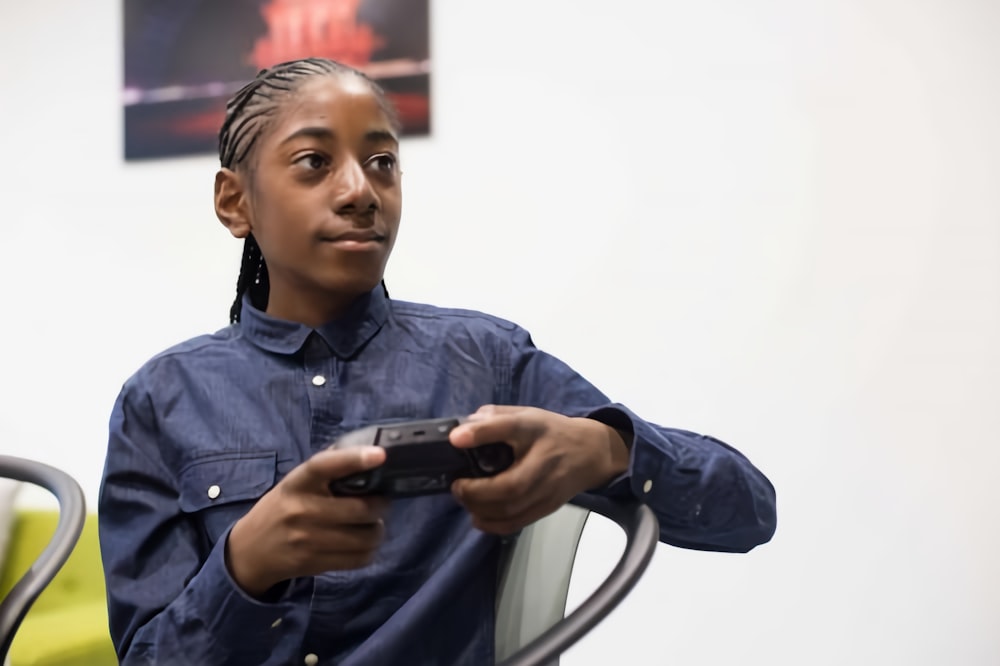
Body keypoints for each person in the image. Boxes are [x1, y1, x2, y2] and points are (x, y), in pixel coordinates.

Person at [98, 57, 777, 666]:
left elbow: (748, 510)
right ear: (234, 201)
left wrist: (608, 447)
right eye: (314, 162)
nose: (361, 190)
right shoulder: (160, 400)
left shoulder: (487, 360)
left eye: (383, 162)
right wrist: (244, 569)